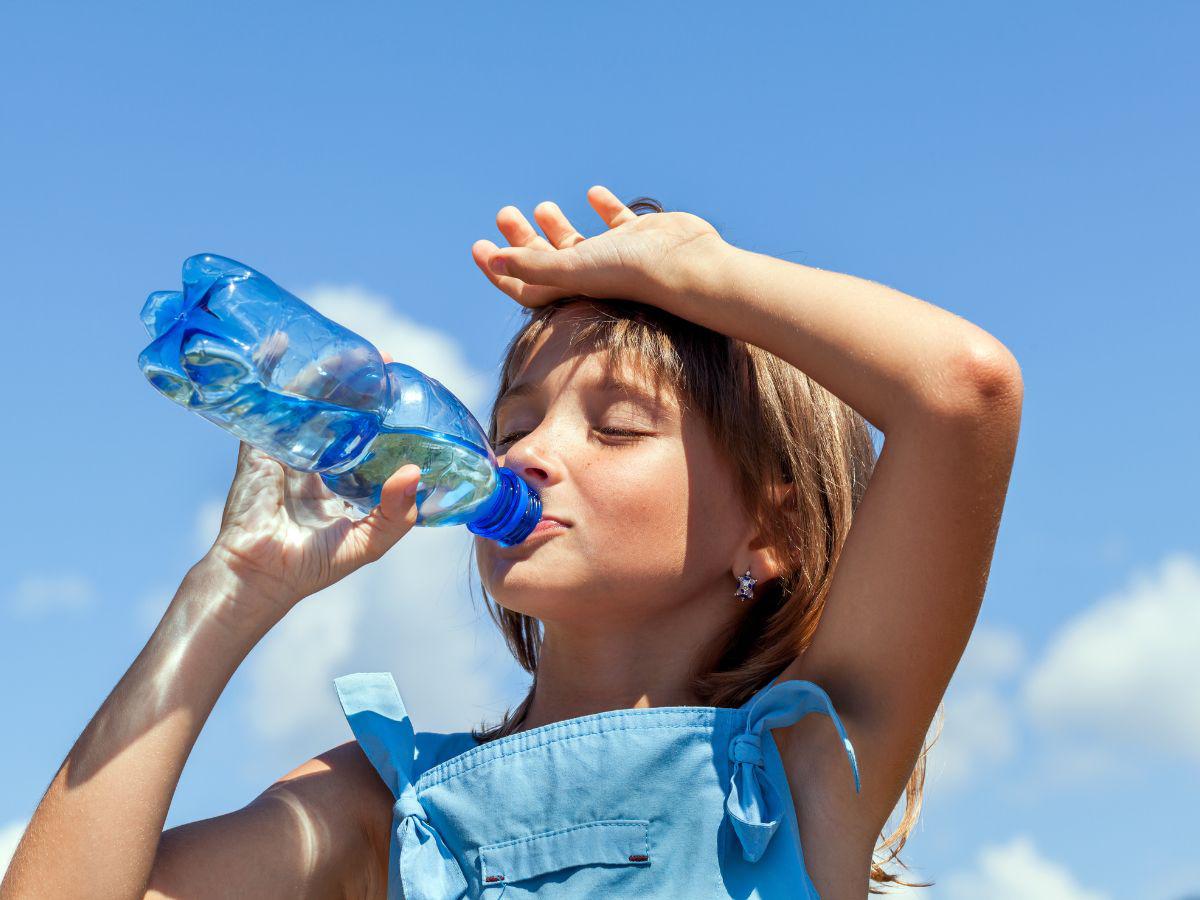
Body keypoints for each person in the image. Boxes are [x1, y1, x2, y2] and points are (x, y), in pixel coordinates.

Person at [1, 186, 1023, 899]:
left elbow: (963, 393)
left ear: (772, 530)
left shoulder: (806, 770)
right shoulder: (386, 806)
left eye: (616, 426)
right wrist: (230, 592)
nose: (530, 454)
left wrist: (700, 273)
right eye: (514, 423)